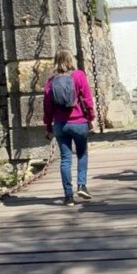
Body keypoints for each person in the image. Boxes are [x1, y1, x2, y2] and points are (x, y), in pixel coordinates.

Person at [43, 48, 96, 206]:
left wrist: (48, 126)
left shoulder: (51, 81)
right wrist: (91, 118)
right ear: (71, 60)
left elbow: (47, 106)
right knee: (82, 153)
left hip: (60, 124)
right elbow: (87, 99)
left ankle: (68, 196)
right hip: (79, 122)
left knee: (65, 159)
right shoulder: (79, 75)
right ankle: (81, 185)